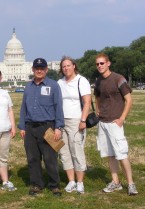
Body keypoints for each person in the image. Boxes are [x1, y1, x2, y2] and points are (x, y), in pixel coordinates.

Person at [18, 58, 64, 196]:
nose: (39, 70)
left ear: (46, 70)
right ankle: (37, 184)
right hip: (30, 126)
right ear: (33, 69)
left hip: (48, 126)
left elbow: (58, 107)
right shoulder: (28, 86)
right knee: (33, 158)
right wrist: (22, 126)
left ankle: (54, 185)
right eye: (37, 68)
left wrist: (58, 127)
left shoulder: (54, 85)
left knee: (50, 158)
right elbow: (23, 108)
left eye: (42, 68)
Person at [94, 53, 138, 196]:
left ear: (108, 63)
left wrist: (122, 118)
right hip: (103, 122)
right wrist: (98, 110)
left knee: (121, 154)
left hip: (115, 122)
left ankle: (131, 184)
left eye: (102, 63)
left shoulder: (118, 79)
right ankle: (116, 182)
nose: (99, 66)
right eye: (97, 64)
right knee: (110, 155)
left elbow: (129, 100)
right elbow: (97, 97)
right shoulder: (98, 81)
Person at [57, 56, 91, 194]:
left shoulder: (81, 81)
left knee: (77, 151)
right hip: (61, 120)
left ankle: (80, 182)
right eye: (63, 66)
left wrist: (83, 120)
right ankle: (71, 181)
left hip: (76, 120)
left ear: (74, 66)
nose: (66, 68)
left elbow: (87, 102)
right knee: (63, 152)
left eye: (68, 65)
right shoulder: (59, 82)